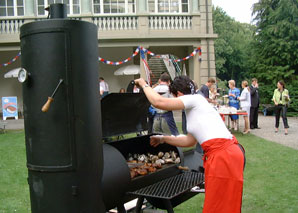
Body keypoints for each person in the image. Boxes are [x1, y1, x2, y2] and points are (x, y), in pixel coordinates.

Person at [134, 76, 245, 213]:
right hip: (225, 155)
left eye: (173, 97)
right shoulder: (196, 108)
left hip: (223, 156)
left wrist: (144, 84)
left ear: (179, 94)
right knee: (223, 205)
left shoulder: (194, 99)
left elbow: (158, 102)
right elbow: (189, 141)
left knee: (219, 207)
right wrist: (163, 139)